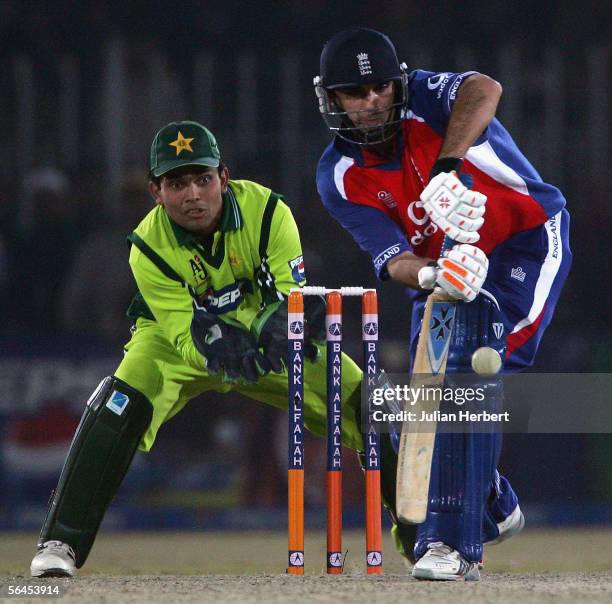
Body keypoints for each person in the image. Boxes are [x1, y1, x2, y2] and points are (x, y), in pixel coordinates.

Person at [30, 120, 369, 577]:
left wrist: (278, 330)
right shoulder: (146, 245)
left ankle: (428, 536)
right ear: (156, 190)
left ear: (222, 178)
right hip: (176, 344)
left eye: (202, 179)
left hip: (260, 334)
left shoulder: (268, 211)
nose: (192, 194)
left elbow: (292, 296)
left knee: (368, 402)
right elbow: (177, 329)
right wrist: (214, 351)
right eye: (177, 183)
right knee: (116, 405)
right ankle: (60, 544)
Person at [314, 28, 571, 580]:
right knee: (428, 408)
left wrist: (447, 166)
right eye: (353, 93)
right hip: (444, 272)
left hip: (526, 240)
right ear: (330, 99)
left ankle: (451, 547)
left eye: (381, 86)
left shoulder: (429, 98)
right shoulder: (336, 177)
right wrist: (434, 271)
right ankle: (493, 504)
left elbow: (484, 87)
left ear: (398, 83)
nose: (371, 102)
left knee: (467, 375)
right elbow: (392, 259)